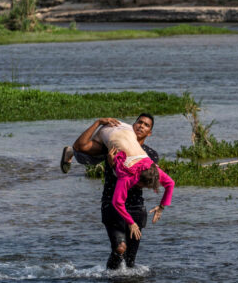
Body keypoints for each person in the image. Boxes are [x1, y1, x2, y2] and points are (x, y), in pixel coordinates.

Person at [60, 113, 174, 269]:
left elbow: (166, 182)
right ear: (133, 125)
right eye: (139, 122)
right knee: (120, 248)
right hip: (112, 204)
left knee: (130, 260)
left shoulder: (150, 155)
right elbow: (82, 145)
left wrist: (161, 207)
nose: (141, 126)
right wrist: (99, 122)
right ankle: (109, 277)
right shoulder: (113, 146)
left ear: (150, 133)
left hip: (135, 207)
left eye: (146, 125)